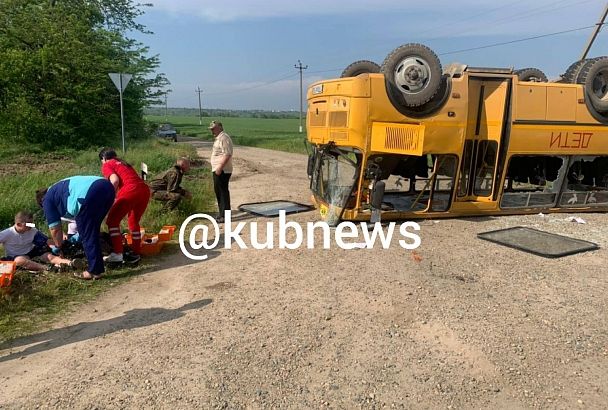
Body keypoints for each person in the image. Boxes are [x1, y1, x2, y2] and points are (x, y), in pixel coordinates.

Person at [36, 176, 115, 280]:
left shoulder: (46, 200)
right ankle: (97, 265)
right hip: (106, 186)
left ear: (41, 203)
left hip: (90, 193)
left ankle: (94, 271)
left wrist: (58, 247)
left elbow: (55, 229)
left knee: (88, 235)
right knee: (92, 230)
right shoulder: (57, 186)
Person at [99, 148, 151, 263]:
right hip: (144, 190)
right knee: (133, 221)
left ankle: (117, 253)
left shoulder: (107, 164)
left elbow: (115, 180)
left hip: (130, 190)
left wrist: (109, 198)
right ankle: (136, 251)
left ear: (103, 158)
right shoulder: (123, 163)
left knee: (112, 221)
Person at [0, 210, 79, 272]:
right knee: (19, 261)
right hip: (17, 255)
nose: (31, 225)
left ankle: (70, 263)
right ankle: (46, 268)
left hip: (32, 251)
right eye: (29, 224)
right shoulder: (7, 233)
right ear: (19, 224)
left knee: (49, 256)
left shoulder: (32, 230)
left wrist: (58, 247)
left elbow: (46, 241)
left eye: (32, 223)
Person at [208, 120, 233, 223]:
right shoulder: (218, 138)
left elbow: (227, 154)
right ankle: (221, 214)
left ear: (220, 128)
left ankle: (225, 216)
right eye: (211, 129)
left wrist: (220, 167)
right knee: (218, 192)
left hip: (222, 170)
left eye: (214, 128)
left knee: (223, 192)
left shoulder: (224, 138)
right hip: (218, 169)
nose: (212, 131)